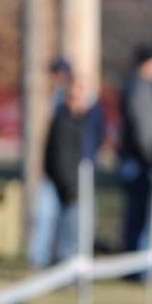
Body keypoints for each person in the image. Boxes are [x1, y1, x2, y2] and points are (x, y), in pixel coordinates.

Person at [119, 45, 152, 262]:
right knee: (140, 215)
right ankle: (139, 264)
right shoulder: (139, 89)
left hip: (143, 160)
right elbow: (144, 126)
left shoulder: (147, 88)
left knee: (139, 214)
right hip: (141, 162)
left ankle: (137, 262)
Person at [41, 77, 98, 263]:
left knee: (76, 229)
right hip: (67, 181)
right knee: (62, 226)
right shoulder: (63, 120)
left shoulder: (86, 121)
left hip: (79, 180)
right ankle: (56, 263)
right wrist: (69, 184)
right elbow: (61, 154)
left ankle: (70, 265)